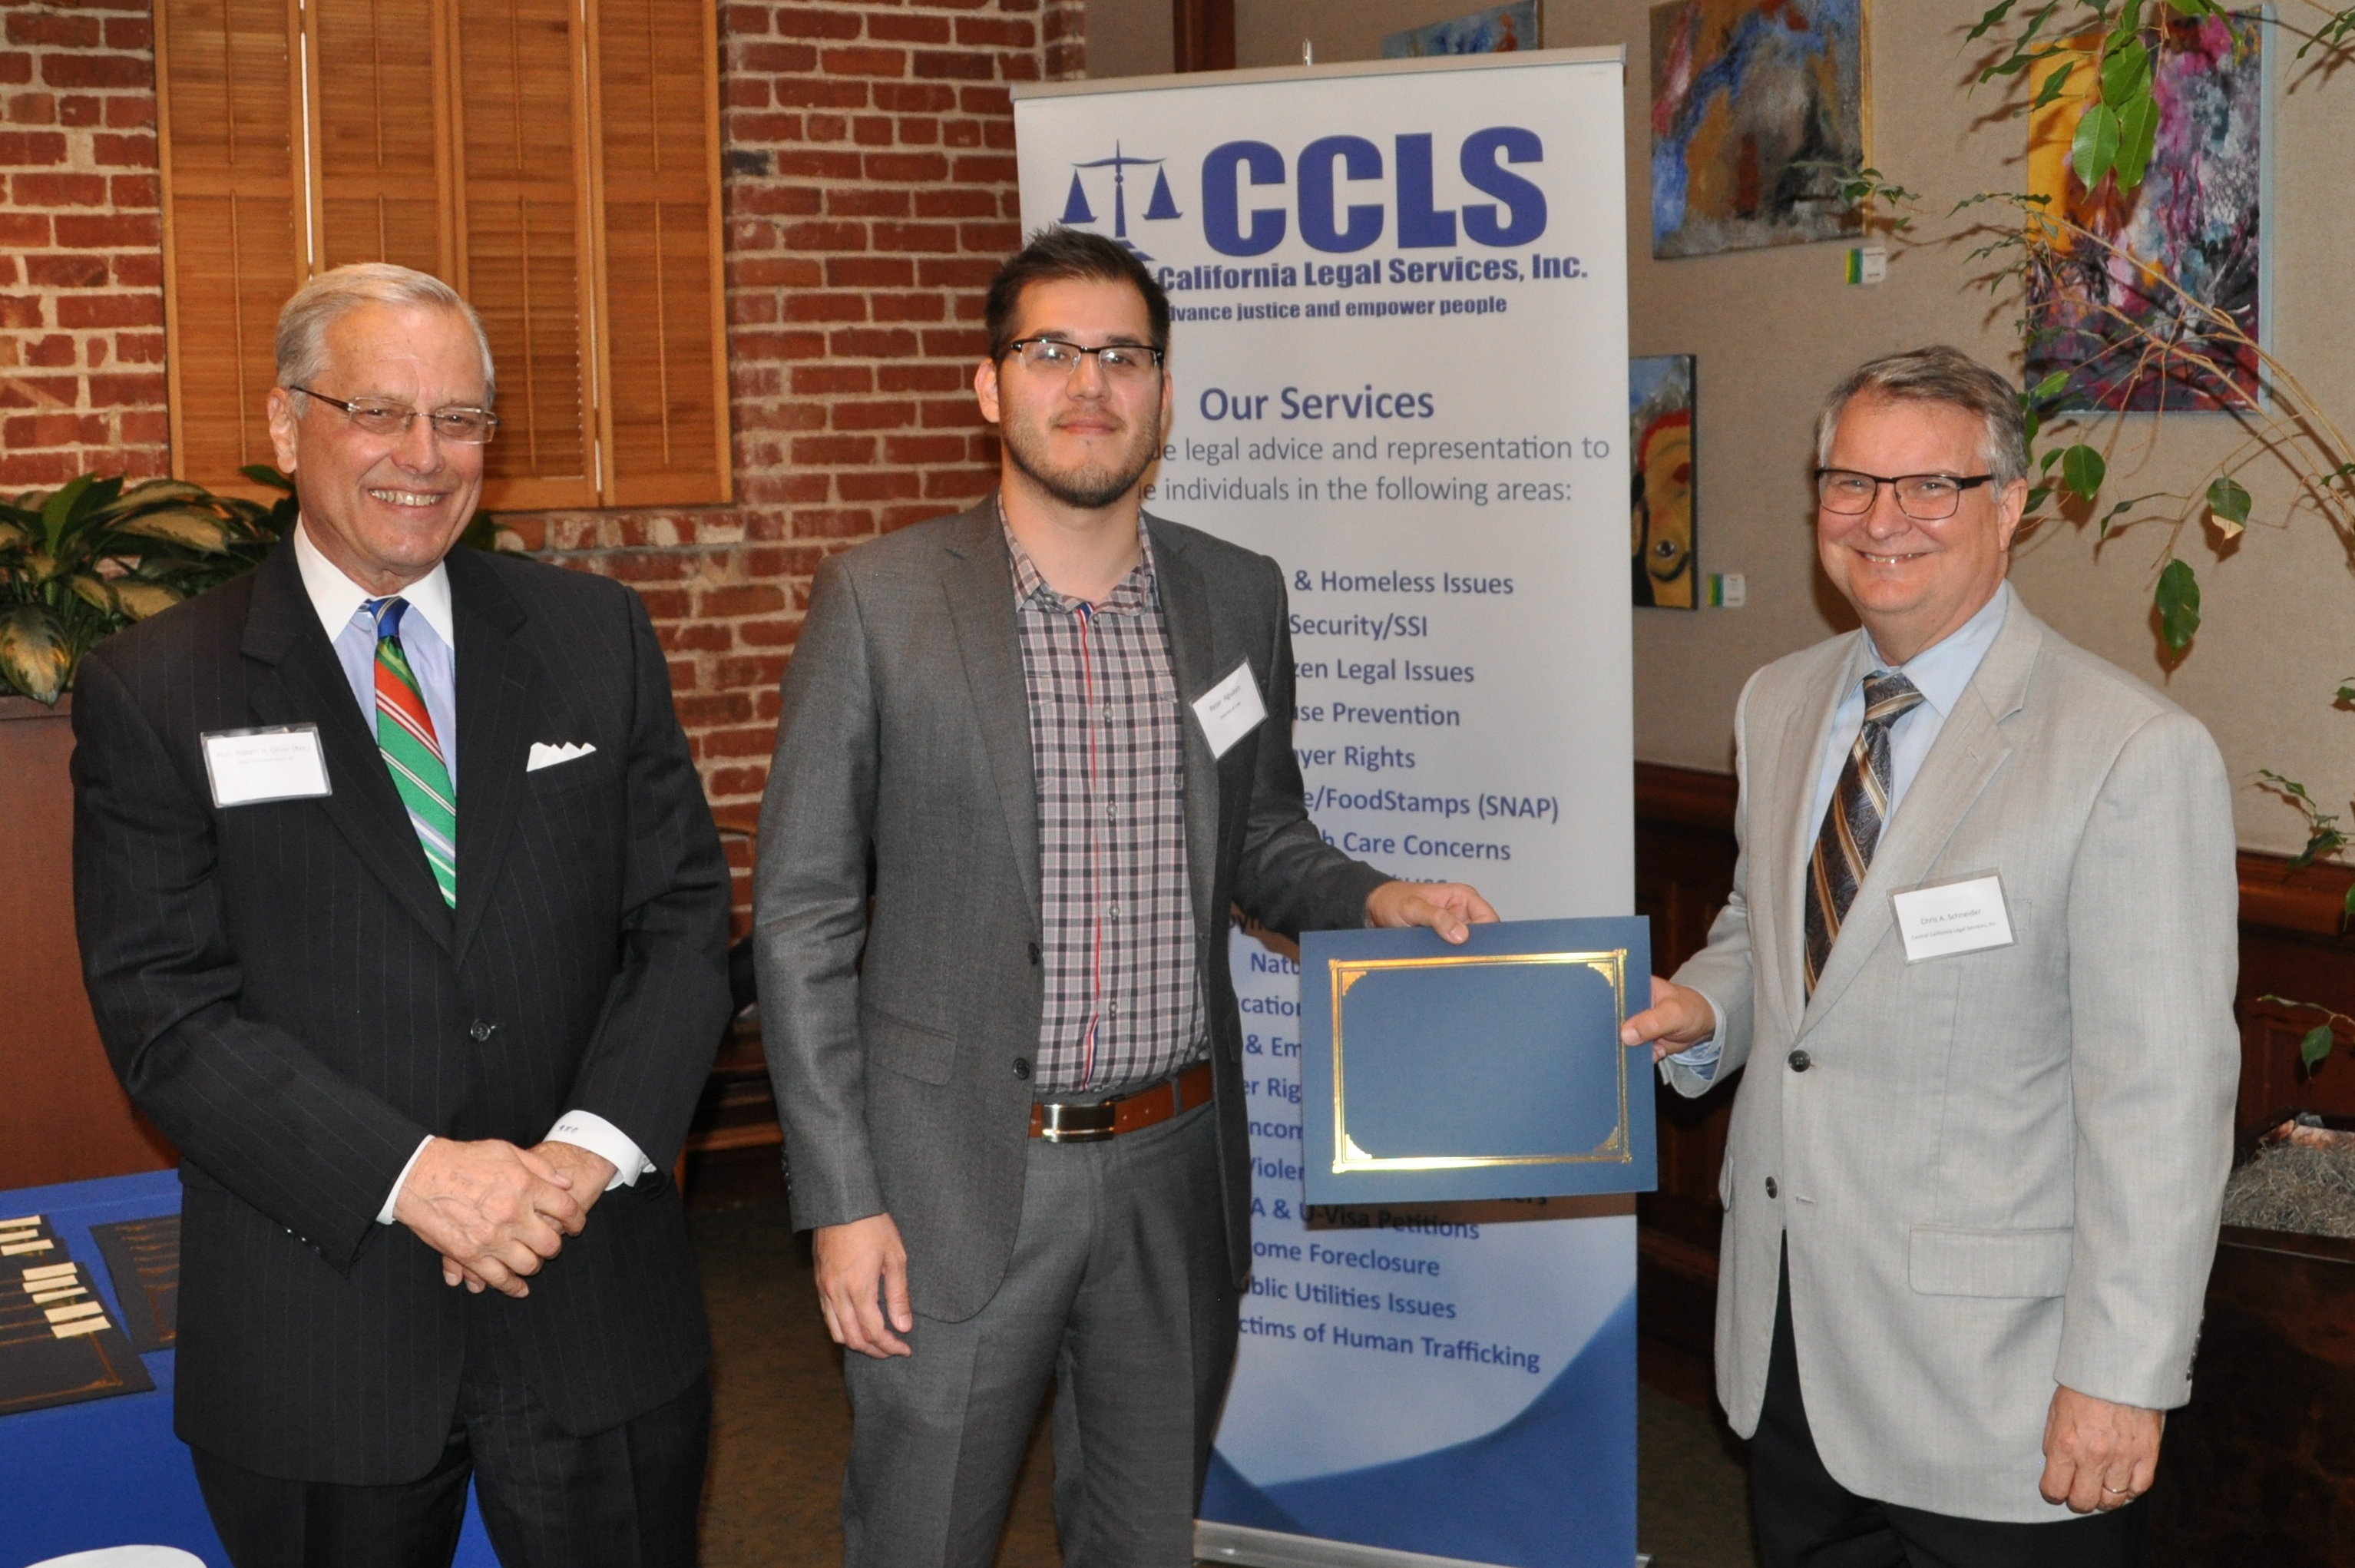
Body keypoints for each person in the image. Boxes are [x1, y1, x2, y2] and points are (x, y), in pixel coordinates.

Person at [753, 227, 1497, 1568]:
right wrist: (840, 1198)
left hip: (1176, 1167)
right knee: (923, 1538)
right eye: (1051, 350)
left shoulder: (1235, 595)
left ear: (1164, 393)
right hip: (948, 1177)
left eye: (1124, 356)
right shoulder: (880, 600)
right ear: (990, 386)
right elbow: (803, 917)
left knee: (1149, 1540)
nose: (1089, 383)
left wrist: (1375, 897)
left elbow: (1262, 835)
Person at [71, 263, 729, 1566]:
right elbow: (166, 1012)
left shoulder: (594, 634)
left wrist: (584, 1154)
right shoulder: (158, 685)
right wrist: (418, 1175)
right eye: (378, 410)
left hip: (591, 1289)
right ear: (285, 425)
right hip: (322, 1331)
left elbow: (681, 920)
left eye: (459, 419)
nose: (423, 456)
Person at [1620, 345, 2238, 1566]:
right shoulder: (1777, 702)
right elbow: (1768, 926)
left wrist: (2121, 1374)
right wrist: (1707, 1008)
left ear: (2010, 506)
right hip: (1792, 1345)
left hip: (2002, 1395)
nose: (1882, 519)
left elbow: (2160, 1100)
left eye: (1929, 487)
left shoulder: (2130, 750)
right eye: (1851, 483)